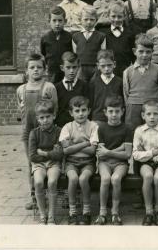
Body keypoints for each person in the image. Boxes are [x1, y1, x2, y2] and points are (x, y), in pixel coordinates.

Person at [16, 53, 58, 210]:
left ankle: (48, 194)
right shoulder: (21, 89)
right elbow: (21, 109)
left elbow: (55, 109)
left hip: (45, 131)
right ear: (26, 71)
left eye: (39, 67)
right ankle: (34, 196)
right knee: (31, 163)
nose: (35, 70)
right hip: (28, 132)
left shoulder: (49, 87)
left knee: (48, 162)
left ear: (45, 70)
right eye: (32, 67)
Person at [59, 96, 99, 225]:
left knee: (83, 179)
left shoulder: (93, 126)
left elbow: (93, 150)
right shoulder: (67, 127)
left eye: (83, 110)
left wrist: (74, 144)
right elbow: (65, 150)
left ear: (89, 110)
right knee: (73, 178)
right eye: (77, 111)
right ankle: (73, 212)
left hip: (88, 162)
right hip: (71, 162)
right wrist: (84, 143)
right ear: (71, 113)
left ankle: (86, 211)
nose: (80, 113)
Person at [94, 95, 133, 225]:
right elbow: (101, 155)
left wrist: (109, 152)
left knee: (115, 179)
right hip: (104, 164)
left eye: (117, 111)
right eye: (111, 111)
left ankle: (115, 212)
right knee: (105, 179)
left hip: (121, 164)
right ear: (105, 112)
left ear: (122, 111)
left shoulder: (127, 128)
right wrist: (119, 149)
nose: (114, 115)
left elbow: (127, 155)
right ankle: (102, 213)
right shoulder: (101, 128)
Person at [132, 100, 158, 226]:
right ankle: (149, 212)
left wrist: (150, 156)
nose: (152, 117)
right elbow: (136, 154)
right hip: (145, 164)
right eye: (148, 114)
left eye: (155, 114)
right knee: (148, 177)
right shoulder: (139, 131)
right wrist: (153, 153)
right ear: (143, 116)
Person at [28, 100, 63, 225]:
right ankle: (43, 215)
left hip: (54, 164)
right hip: (39, 164)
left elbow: (59, 154)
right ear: (38, 119)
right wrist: (50, 155)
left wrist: (43, 153)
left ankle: (51, 216)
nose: (45, 120)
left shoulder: (59, 131)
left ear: (53, 116)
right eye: (42, 118)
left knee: (52, 181)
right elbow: (32, 156)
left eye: (48, 117)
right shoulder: (34, 133)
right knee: (38, 182)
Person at [123, 33, 158, 130]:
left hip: (152, 108)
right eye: (141, 51)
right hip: (133, 109)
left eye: (148, 52)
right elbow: (126, 93)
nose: (144, 55)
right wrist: (131, 106)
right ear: (134, 51)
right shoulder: (127, 72)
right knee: (133, 133)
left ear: (152, 52)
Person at [54, 51, 89, 128]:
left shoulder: (84, 86)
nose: (72, 71)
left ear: (78, 67)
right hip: (61, 127)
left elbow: (88, 108)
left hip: (80, 127)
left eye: (74, 67)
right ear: (62, 68)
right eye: (68, 67)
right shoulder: (55, 88)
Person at [102, 2, 137, 77]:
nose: (116, 19)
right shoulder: (103, 34)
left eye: (119, 17)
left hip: (125, 71)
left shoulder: (130, 34)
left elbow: (134, 55)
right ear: (108, 16)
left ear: (124, 16)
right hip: (108, 71)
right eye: (113, 16)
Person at [72, 6, 106, 83]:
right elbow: (75, 54)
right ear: (80, 20)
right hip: (81, 68)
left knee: (94, 86)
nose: (89, 22)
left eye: (92, 19)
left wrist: (99, 67)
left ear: (96, 21)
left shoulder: (101, 36)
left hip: (95, 67)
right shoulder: (75, 36)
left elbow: (103, 53)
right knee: (82, 86)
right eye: (86, 19)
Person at [89, 50, 124, 123]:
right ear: (98, 66)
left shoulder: (120, 82)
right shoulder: (93, 82)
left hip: (115, 119)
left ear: (114, 64)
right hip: (98, 119)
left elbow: (123, 102)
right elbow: (91, 103)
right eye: (103, 66)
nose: (106, 69)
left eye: (109, 65)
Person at [40, 6, 73, 83]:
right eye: (54, 20)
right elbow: (44, 52)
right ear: (49, 21)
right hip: (52, 72)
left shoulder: (69, 37)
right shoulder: (45, 38)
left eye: (60, 20)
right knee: (52, 91)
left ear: (65, 21)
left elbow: (72, 53)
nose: (57, 24)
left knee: (67, 90)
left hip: (66, 71)